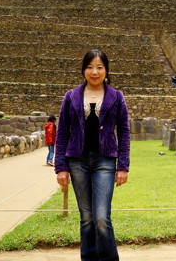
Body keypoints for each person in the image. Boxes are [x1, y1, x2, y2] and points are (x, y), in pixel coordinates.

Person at [55, 49, 130, 261]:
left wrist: (123, 166)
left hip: (105, 160)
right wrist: (61, 166)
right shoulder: (71, 97)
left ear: (106, 70)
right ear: (83, 70)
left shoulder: (117, 97)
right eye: (89, 67)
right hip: (77, 161)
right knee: (86, 218)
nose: (94, 72)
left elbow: (124, 133)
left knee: (101, 217)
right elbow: (62, 133)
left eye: (99, 67)